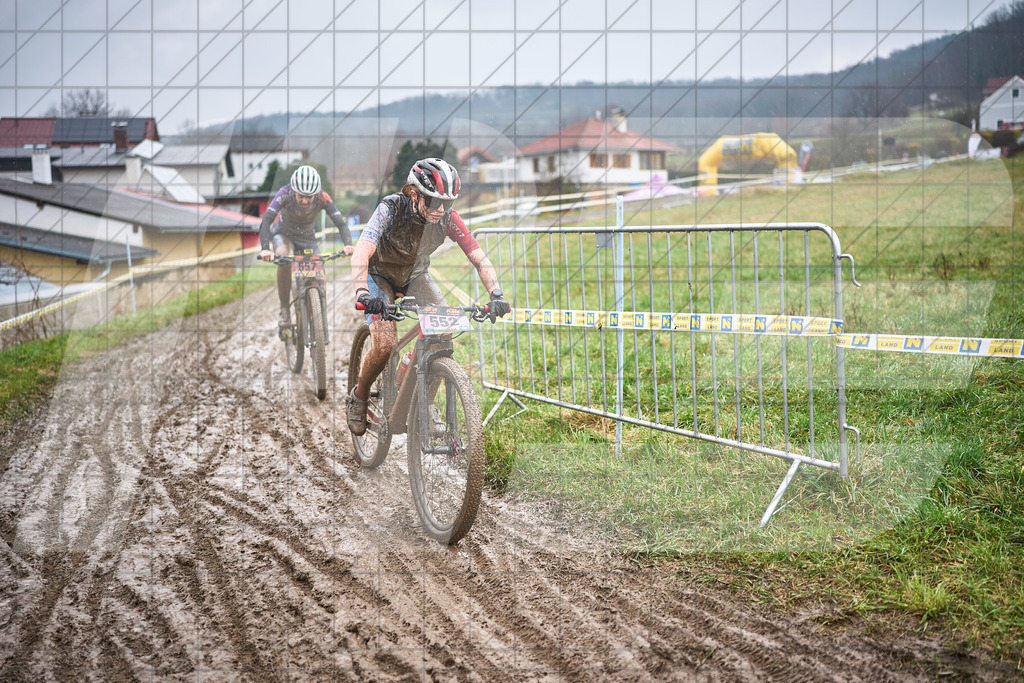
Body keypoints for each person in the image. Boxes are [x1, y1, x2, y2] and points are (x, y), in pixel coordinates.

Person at [346, 157, 510, 435]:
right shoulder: (390, 208)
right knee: (385, 344)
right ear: (414, 194)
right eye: (434, 201)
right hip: (379, 276)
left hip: (415, 277)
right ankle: (359, 396)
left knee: (444, 333)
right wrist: (363, 292)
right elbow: (362, 251)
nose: (441, 208)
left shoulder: (448, 218)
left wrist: (496, 294)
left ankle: (425, 401)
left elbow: (478, 257)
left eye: (448, 202)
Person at [258, 165, 355, 326]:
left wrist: (348, 245)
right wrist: (265, 248)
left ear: (316, 193)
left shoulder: (323, 197)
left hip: (307, 238)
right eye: (301, 196)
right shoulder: (284, 194)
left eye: (309, 197)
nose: (304, 200)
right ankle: (284, 310)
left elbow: (340, 223)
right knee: (283, 256)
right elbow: (267, 220)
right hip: (284, 235)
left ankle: (315, 317)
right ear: (294, 191)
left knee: (320, 276)